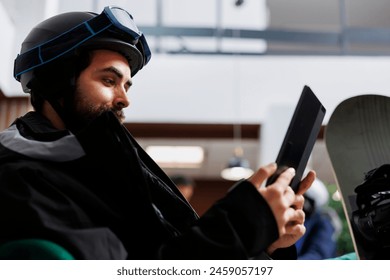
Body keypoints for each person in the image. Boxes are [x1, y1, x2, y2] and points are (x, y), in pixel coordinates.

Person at [0, 6, 315, 260]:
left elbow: (167, 252)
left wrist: (266, 242)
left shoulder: (106, 166)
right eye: (109, 81)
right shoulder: (21, 179)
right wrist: (243, 226)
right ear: (57, 81)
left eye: (126, 85)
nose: (125, 98)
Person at [296, 179, 341, 259]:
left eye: (302, 196)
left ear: (308, 203)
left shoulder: (323, 223)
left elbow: (318, 255)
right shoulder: (299, 217)